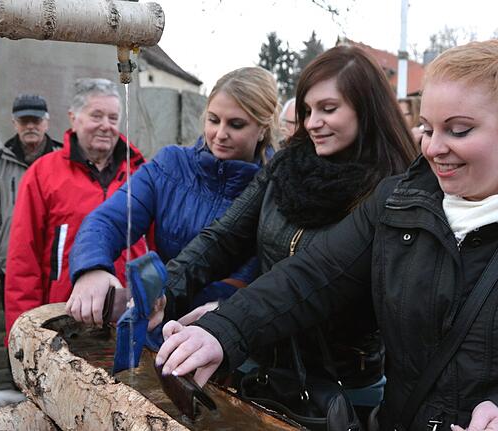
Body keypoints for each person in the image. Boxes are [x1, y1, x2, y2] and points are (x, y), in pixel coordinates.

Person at [156, 39, 498, 431]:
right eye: (427, 129)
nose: (435, 149)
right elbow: (312, 275)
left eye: (459, 130)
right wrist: (227, 329)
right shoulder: (401, 201)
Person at [158, 45, 418, 422]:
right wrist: (165, 290)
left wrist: (230, 317)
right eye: (308, 110)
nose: (312, 122)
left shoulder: (391, 192)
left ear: (366, 108)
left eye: (328, 109)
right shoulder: (287, 164)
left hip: (338, 388)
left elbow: (322, 281)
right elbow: (224, 238)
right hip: (260, 362)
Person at [65, 67, 280, 326]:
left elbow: (272, 279)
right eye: (213, 120)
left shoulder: (275, 191)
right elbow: (109, 220)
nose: (220, 134)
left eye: (236, 125)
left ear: (262, 129)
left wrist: (230, 309)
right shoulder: (170, 166)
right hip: (158, 323)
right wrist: (92, 267)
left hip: (232, 332)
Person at [4, 78, 147, 341]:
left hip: (131, 321)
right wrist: (21, 338)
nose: (106, 125)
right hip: (66, 321)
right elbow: (23, 261)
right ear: (74, 118)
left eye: (113, 118)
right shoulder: (43, 173)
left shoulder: (141, 173)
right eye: (97, 116)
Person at [0, 94, 62, 295]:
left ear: (46, 123)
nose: (30, 126)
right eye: (24, 121)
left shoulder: (63, 159)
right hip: (12, 263)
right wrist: (0, 240)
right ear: (14, 124)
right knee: (16, 323)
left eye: (36, 120)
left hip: (56, 265)